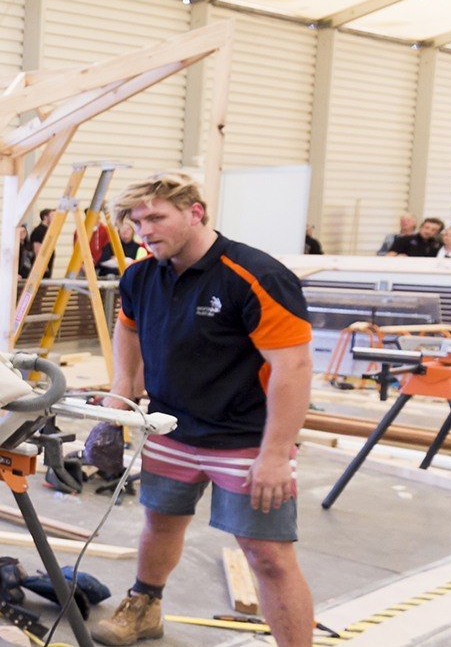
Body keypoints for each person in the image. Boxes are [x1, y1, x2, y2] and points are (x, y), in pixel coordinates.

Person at [92, 172, 314, 646]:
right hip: (170, 427)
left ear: (196, 212)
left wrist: (275, 453)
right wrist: (119, 393)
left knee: (269, 556)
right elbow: (128, 328)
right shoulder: (140, 275)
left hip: (246, 439)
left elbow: (292, 367)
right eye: (137, 221)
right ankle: (145, 606)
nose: (145, 230)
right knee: (160, 521)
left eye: (157, 217)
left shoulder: (255, 275)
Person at [29, 207, 55, 276]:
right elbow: (37, 250)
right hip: (41, 267)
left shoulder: (48, 230)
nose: (55, 218)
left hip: (47, 264)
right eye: (52, 216)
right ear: (45, 217)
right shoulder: (39, 231)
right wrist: (43, 266)